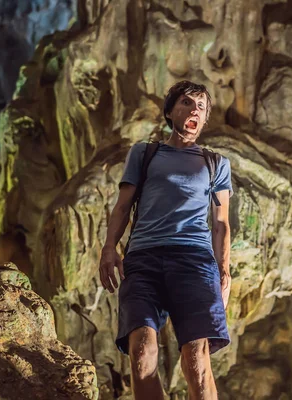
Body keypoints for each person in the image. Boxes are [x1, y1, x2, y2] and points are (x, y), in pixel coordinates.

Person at [98, 80, 232, 400]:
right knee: (142, 353)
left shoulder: (216, 164)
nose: (194, 110)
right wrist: (108, 248)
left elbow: (221, 223)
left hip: (194, 260)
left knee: (196, 360)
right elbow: (123, 205)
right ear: (171, 112)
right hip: (144, 257)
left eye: (201, 107)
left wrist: (224, 271)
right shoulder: (144, 153)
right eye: (187, 103)